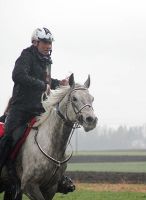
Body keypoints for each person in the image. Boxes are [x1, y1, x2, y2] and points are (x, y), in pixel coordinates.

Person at [0, 27, 68, 191]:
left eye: (50, 43)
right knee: (8, 137)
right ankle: (4, 170)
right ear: (36, 42)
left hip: (38, 109)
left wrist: (59, 83)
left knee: (53, 137)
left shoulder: (45, 61)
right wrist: (41, 85)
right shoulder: (26, 56)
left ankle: (57, 177)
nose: (48, 46)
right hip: (20, 109)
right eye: (45, 42)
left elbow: (45, 80)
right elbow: (18, 75)